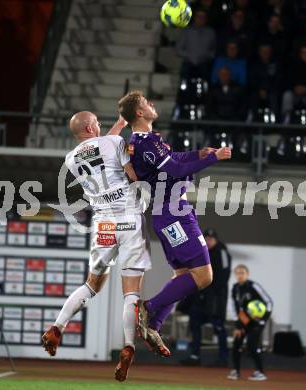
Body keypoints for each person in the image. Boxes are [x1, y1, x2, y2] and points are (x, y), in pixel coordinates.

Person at [117, 90, 231, 356]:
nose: (152, 104)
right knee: (204, 277)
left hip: (170, 212)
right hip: (172, 213)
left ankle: (153, 324)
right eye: (147, 102)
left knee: (183, 275)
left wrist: (198, 153)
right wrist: (213, 158)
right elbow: (177, 171)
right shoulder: (144, 143)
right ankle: (148, 308)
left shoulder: (148, 141)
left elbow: (176, 160)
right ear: (140, 113)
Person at [41, 112, 152, 382]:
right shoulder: (114, 143)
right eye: (98, 124)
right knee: (131, 293)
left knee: (92, 285)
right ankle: (128, 346)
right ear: (91, 127)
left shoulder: (70, 158)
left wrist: (120, 123)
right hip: (128, 218)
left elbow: (99, 146)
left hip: (103, 224)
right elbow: (131, 173)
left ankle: (57, 326)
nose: (101, 127)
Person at [180, 229, 231, 366]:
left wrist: (211, 292)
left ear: (216, 240)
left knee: (218, 327)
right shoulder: (201, 252)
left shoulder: (222, 252)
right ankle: (195, 355)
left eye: (211, 239)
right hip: (200, 296)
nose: (208, 241)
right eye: (206, 238)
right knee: (194, 323)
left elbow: (223, 277)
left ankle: (223, 358)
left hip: (215, 299)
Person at [227, 264, 273, 382]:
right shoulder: (235, 288)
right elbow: (234, 308)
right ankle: (236, 371)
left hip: (256, 322)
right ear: (235, 275)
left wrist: (263, 320)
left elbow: (269, 302)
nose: (240, 275)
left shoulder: (253, 286)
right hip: (243, 321)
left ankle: (260, 372)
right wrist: (238, 325)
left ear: (247, 274)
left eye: (242, 273)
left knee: (252, 346)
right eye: (238, 273)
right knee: (236, 345)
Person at [176, 8, 216, 80]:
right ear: (194, 18)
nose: (200, 19)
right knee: (184, 82)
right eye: (198, 16)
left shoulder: (211, 32)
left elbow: (214, 51)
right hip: (188, 63)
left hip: (203, 64)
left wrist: (206, 55)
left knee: (206, 79)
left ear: (206, 19)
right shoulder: (187, 31)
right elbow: (178, 49)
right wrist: (190, 55)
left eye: (203, 17)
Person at [249, 43, 282, 120]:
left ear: (270, 52)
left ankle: (275, 122)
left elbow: (278, 80)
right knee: (252, 97)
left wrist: (267, 90)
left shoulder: (276, 64)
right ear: (259, 52)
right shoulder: (255, 64)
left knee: (274, 97)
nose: (265, 53)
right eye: (263, 51)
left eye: (267, 51)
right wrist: (260, 90)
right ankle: (253, 122)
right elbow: (252, 80)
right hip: (257, 91)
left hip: (272, 91)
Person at [281, 44, 306, 122]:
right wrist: (294, 88)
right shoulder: (294, 66)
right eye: (304, 53)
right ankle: (286, 120)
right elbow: (287, 81)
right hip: (294, 94)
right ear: (300, 54)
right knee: (287, 95)